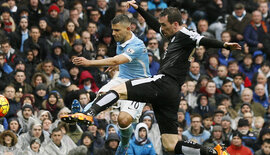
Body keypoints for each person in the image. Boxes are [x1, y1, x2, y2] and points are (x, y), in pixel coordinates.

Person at [66, 1, 241, 154]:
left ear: (175, 24)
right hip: (171, 94)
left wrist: (224, 45)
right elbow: (154, 24)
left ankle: (89, 113)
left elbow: (203, 40)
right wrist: (140, 9)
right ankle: (212, 152)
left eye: (164, 26)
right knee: (171, 144)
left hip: (164, 82)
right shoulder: (173, 35)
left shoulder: (185, 34)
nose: (161, 29)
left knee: (117, 89)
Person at [65, 14, 150, 154]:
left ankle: (124, 143)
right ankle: (84, 113)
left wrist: (89, 62)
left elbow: (117, 60)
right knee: (103, 95)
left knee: (123, 120)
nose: (113, 33)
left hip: (139, 85)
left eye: (117, 30)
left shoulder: (137, 45)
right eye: (113, 30)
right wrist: (117, 66)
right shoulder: (120, 39)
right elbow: (122, 61)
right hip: (122, 78)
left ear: (128, 28)